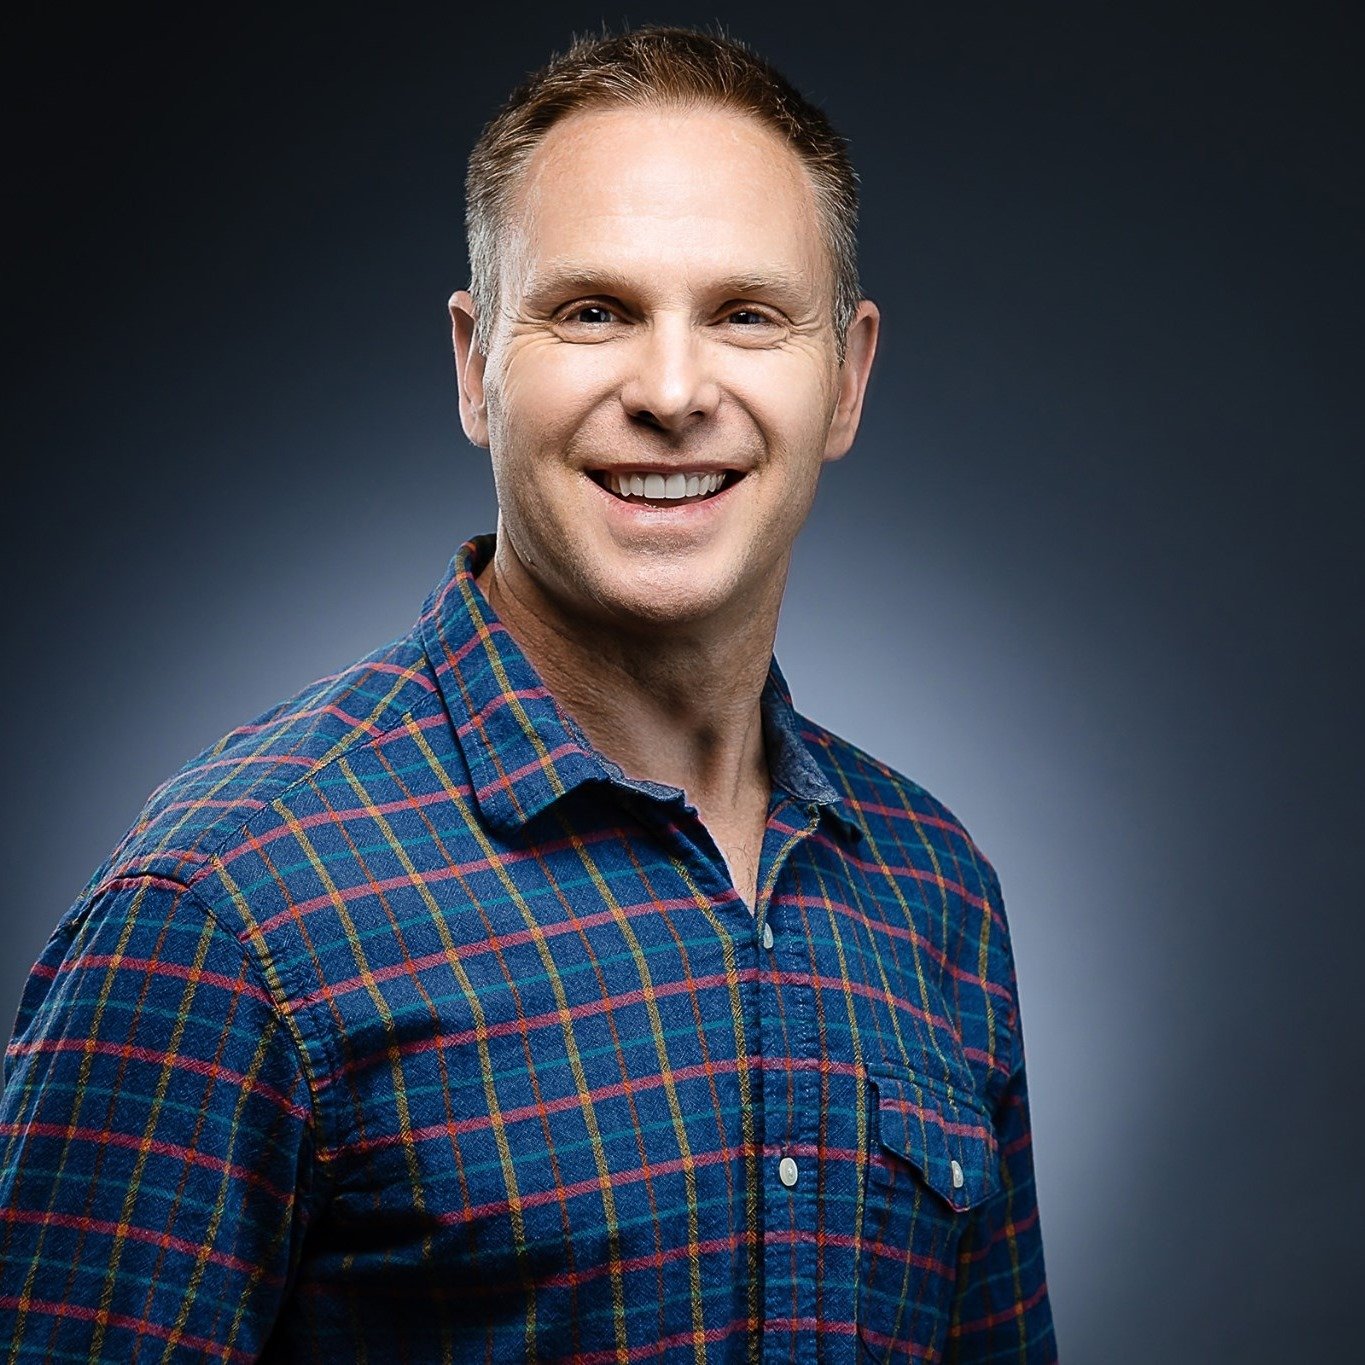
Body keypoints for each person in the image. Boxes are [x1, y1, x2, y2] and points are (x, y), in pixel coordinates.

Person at [0, 24, 1056, 1363]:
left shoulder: (933, 888)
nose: (671, 392)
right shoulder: (230, 908)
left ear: (844, 379)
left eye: (745, 314)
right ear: (474, 365)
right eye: (593, 311)